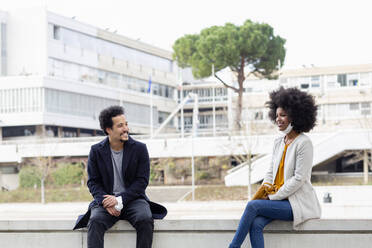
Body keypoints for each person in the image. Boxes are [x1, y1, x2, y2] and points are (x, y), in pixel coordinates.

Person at [228, 87, 321, 248]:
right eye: (277, 115)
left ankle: (233, 247)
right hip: (278, 200)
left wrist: (272, 197)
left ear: (295, 116)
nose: (278, 119)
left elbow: (299, 179)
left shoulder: (304, 143)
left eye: (283, 115)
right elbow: (271, 172)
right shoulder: (279, 141)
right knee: (256, 224)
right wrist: (264, 191)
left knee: (252, 206)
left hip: (295, 204)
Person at [73, 105, 167, 248]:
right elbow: (93, 182)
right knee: (95, 221)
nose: (126, 129)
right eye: (120, 126)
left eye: (126, 124)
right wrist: (106, 202)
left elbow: (142, 181)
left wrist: (119, 199)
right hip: (106, 201)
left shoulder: (140, 148)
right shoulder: (96, 151)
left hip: (133, 199)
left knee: (145, 219)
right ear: (108, 130)